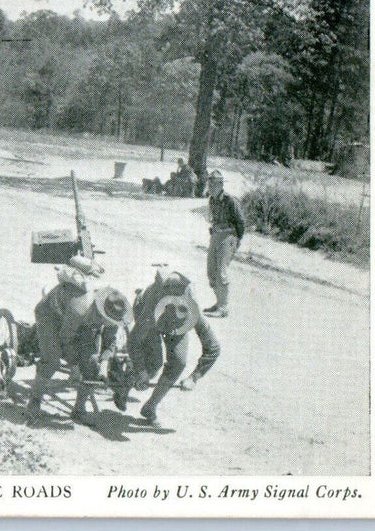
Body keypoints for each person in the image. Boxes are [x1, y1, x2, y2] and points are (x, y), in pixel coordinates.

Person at [27, 255, 129, 423]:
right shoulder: (80, 307)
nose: (109, 324)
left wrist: (103, 366)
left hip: (83, 324)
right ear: (101, 312)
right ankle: (34, 402)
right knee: (52, 360)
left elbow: (109, 342)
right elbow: (65, 339)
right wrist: (74, 366)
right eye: (106, 321)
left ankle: (79, 408)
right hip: (51, 315)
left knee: (92, 365)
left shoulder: (114, 311)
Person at [113, 271, 220, 425]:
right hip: (147, 313)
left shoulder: (192, 310)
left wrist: (194, 377)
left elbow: (214, 347)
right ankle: (124, 387)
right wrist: (141, 371)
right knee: (153, 363)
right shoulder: (152, 309)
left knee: (179, 362)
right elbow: (134, 342)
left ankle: (150, 407)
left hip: (174, 322)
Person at [205, 169, 245, 318]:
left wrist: (237, 240)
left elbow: (241, 222)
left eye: (214, 184)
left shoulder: (230, 200)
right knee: (211, 272)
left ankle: (224, 308)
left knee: (221, 272)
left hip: (228, 236)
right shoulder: (212, 200)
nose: (210, 187)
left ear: (221, 185)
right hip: (216, 235)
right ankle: (219, 302)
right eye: (209, 184)